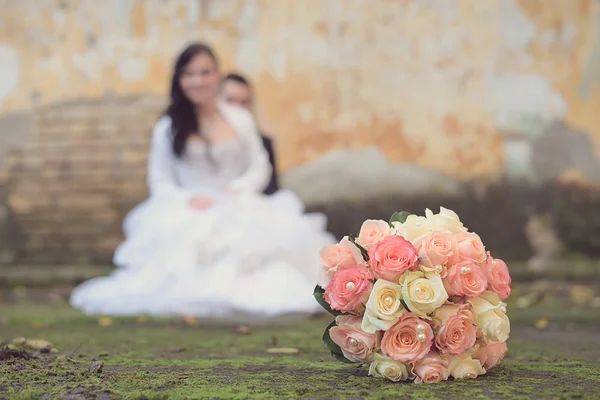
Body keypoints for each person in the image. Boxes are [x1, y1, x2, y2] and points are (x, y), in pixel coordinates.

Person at [69, 42, 336, 317]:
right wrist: (188, 199)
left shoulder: (239, 119)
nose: (198, 81)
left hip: (239, 202)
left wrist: (239, 189)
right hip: (191, 207)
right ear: (179, 79)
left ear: (217, 76)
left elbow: (259, 164)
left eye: (205, 72)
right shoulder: (167, 128)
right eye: (189, 73)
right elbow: (159, 180)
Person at [219, 73, 279, 195]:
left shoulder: (264, 143)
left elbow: (271, 189)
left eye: (244, 102)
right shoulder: (199, 141)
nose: (237, 109)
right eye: (230, 100)